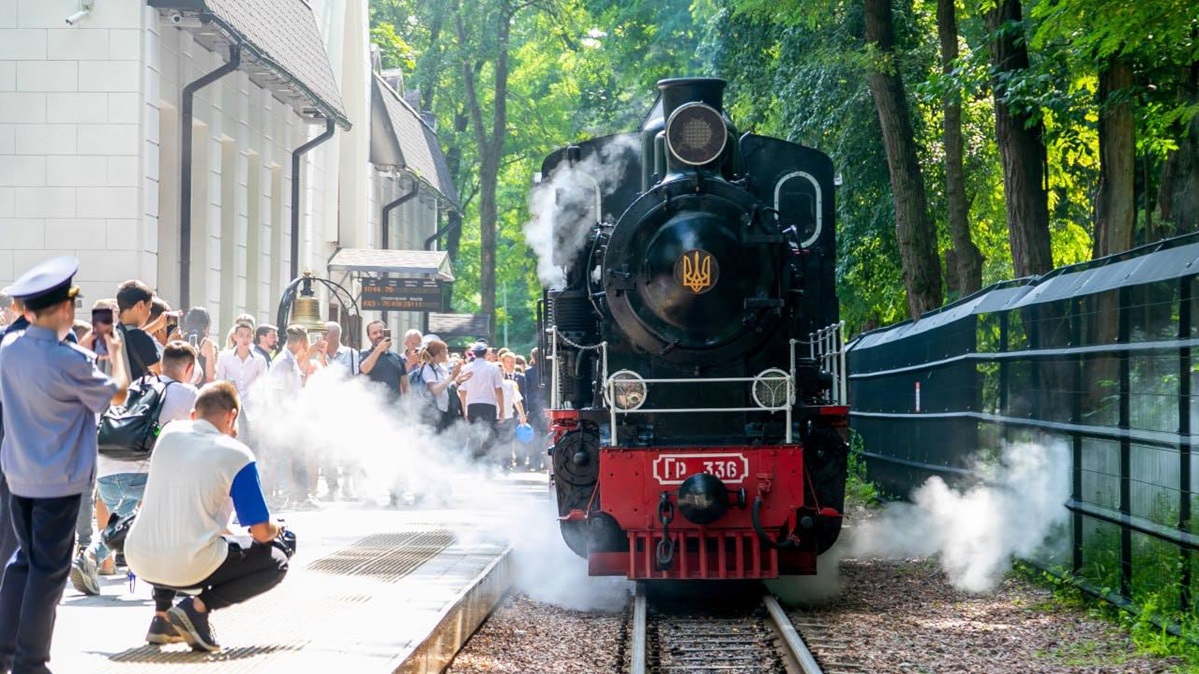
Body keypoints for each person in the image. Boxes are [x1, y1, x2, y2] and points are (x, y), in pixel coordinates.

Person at [0, 256, 129, 674]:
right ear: (66, 308)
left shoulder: (9, 349)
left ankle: (5, 653)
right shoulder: (69, 361)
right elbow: (119, 394)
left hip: (20, 475)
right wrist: (116, 352)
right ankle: (31, 663)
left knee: (23, 562)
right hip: (59, 482)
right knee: (48, 574)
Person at [124, 381, 289, 653]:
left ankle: (162, 618)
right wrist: (277, 529)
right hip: (188, 565)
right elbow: (260, 532)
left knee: (173, 527)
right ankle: (197, 608)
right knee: (277, 559)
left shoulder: (169, 433)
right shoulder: (237, 454)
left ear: (193, 415)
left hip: (140, 558)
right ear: (231, 416)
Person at [70, 342, 200, 597]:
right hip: (144, 472)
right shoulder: (189, 394)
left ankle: (90, 559)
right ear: (190, 368)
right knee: (179, 506)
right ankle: (175, 575)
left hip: (107, 470)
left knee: (126, 516)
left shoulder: (136, 386)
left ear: (161, 364)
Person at [457, 342, 505, 460]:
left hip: (472, 405)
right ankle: (484, 458)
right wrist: (502, 409)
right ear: (485, 353)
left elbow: (462, 392)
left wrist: (464, 410)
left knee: (474, 434)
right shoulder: (493, 367)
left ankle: (475, 459)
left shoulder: (466, 367)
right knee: (490, 433)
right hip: (489, 405)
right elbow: (498, 389)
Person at [416, 340, 471, 433]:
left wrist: (457, 382)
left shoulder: (442, 368)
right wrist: (452, 376)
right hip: (433, 415)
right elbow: (435, 390)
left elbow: (446, 389)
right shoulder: (428, 368)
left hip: (445, 413)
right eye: (446, 350)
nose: (447, 353)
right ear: (440, 352)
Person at [115, 280, 163, 380]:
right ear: (140, 305)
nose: (149, 313)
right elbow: (158, 374)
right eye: (149, 308)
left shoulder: (111, 334)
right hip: (134, 393)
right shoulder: (143, 339)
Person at [216, 321, 269, 404]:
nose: (245, 339)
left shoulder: (260, 360)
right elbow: (219, 381)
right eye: (241, 335)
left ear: (252, 338)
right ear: (235, 337)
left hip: (252, 406)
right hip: (230, 403)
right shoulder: (224, 357)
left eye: (248, 336)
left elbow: (264, 385)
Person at [359, 321, 408, 401]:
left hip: (395, 408)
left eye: (381, 332)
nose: (379, 335)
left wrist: (407, 405)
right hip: (373, 408)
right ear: (369, 337)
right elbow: (364, 369)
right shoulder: (363, 354)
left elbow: (405, 385)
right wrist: (379, 349)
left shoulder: (397, 357)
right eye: (375, 333)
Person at [181, 307, 218, 385]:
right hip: (200, 392)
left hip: (181, 388)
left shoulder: (179, 339)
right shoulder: (207, 343)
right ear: (206, 325)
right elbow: (210, 377)